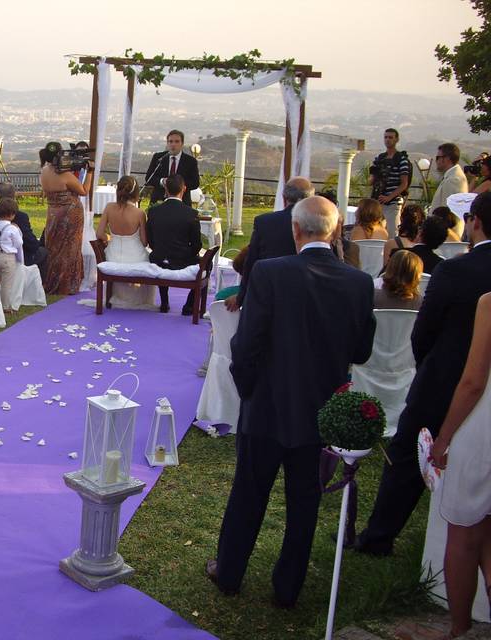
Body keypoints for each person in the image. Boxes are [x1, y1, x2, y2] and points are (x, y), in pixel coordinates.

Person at [208, 195, 375, 607]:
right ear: (334, 231)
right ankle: (288, 588)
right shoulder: (358, 282)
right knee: (304, 503)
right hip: (321, 409)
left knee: (248, 494)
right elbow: (361, 350)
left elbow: (246, 344)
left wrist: (249, 390)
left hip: (266, 403)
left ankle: (229, 573)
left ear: (296, 230)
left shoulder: (268, 272)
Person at [357, 192, 491, 556]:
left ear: (475, 221)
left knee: (407, 456)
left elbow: (425, 332)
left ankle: (379, 536)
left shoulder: (457, 270)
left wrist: (429, 365)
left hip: (445, 379)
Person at [431, 292, 491, 639]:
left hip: (483, 429)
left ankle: (459, 629)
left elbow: (473, 382)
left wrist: (444, 437)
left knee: (464, 537)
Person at [225, 177, 314, 312]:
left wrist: (241, 297)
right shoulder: (317, 224)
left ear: (284, 198)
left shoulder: (265, 222)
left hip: (268, 293)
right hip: (305, 295)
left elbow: (251, 261)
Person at [91, 175, 153, 310]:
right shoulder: (140, 213)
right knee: (149, 259)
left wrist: (108, 238)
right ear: (136, 193)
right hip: (135, 258)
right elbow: (144, 242)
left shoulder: (108, 208)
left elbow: (99, 234)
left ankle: (114, 295)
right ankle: (138, 298)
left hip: (112, 256)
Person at [40, 141, 91, 295]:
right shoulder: (64, 174)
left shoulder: (44, 171)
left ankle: (53, 279)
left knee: (54, 247)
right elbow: (83, 190)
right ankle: (68, 283)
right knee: (70, 248)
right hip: (70, 214)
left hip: (53, 213)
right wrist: (90, 172)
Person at [145, 175, 200, 313]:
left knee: (160, 256)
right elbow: (196, 245)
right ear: (184, 189)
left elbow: (150, 239)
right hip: (183, 260)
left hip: (157, 259)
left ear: (166, 189)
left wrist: (159, 250)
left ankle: (164, 302)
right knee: (207, 264)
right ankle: (189, 306)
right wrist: (187, 254)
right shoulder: (191, 213)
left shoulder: (154, 211)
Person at [0, 182, 45, 270]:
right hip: (18, 261)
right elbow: (31, 244)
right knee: (44, 252)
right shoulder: (20, 216)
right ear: (14, 196)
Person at [370, 128, 411, 236]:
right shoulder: (380, 158)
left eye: (390, 137)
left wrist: (389, 197)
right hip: (378, 201)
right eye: (386, 137)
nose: (388, 140)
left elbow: (404, 183)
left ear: (396, 139)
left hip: (393, 203)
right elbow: (371, 179)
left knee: (392, 233)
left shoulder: (401, 159)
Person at [144, 130, 200, 207]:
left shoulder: (190, 161)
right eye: (170, 141)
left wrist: (178, 185)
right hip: (159, 201)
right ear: (167, 143)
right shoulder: (158, 158)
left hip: (182, 203)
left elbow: (195, 183)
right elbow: (149, 178)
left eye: (177, 142)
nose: (173, 144)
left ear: (182, 144)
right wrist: (162, 181)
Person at [0, 198, 24, 311]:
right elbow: (19, 243)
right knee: (7, 284)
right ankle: (5, 306)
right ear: (13, 215)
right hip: (8, 258)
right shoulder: (13, 228)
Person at [431, 143, 469, 232]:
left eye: (438, 158)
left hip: (446, 236)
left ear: (447, 158)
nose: (436, 161)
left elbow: (446, 214)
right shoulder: (452, 176)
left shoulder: (453, 180)